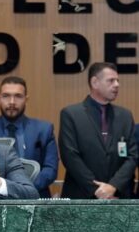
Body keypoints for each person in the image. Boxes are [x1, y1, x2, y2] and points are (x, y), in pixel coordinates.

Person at [59, 62, 137, 199]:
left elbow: (133, 156)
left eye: (117, 80)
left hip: (119, 197)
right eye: (111, 80)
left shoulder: (125, 116)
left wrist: (113, 186)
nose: (117, 85)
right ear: (95, 82)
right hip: (82, 197)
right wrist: (97, 190)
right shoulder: (71, 114)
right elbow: (70, 156)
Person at [0, 76, 59, 198]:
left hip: (35, 198)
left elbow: (50, 170)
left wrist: (23, 189)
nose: (12, 101)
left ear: (26, 99)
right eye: (6, 96)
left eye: (18, 96)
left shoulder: (44, 129)